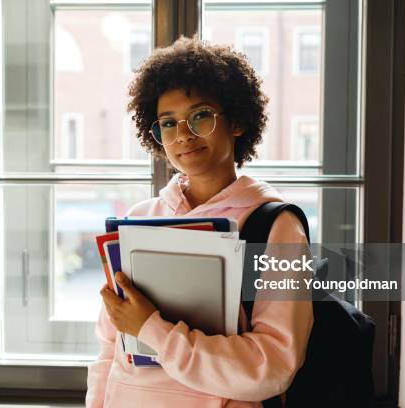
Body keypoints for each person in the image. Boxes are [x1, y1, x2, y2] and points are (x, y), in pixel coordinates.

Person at [86, 36, 313, 408]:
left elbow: (273, 365)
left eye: (201, 115)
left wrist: (151, 330)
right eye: (168, 123)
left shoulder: (276, 226)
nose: (183, 135)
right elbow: (109, 348)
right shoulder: (139, 219)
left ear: (237, 121)